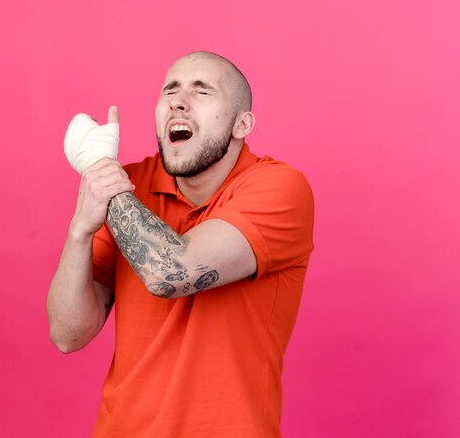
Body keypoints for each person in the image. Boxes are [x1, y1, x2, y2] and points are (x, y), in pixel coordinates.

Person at [47, 51, 314, 437]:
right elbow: (67, 335)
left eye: (201, 91)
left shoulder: (280, 188)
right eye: (170, 90)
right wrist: (79, 230)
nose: (178, 100)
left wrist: (100, 172)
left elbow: (170, 273)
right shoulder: (130, 184)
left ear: (243, 123)